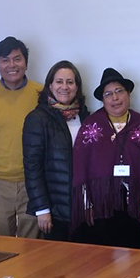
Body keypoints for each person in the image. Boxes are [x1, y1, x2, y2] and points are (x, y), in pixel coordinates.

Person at [71, 67, 140, 248]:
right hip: (101, 208)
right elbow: (80, 167)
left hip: (133, 207)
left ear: (128, 94)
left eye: (119, 91)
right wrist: (86, 205)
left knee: (133, 257)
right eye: (108, 94)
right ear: (103, 100)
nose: (114, 98)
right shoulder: (91, 125)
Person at [0, 36, 42, 238]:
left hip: (33, 184)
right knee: (0, 246)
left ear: (26, 63)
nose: (12, 65)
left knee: (32, 249)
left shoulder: (40, 92)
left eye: (17, 59)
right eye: (5, 60)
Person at [22, 60, 90, 241]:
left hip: (82, 209)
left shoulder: (85, 116)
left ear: (77, 86)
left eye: (70, 82)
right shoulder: (37, 118)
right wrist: (42, 209)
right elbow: (32, 168)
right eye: (59, 81)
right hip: (55, 212)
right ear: (50, 85)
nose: (64, 87)